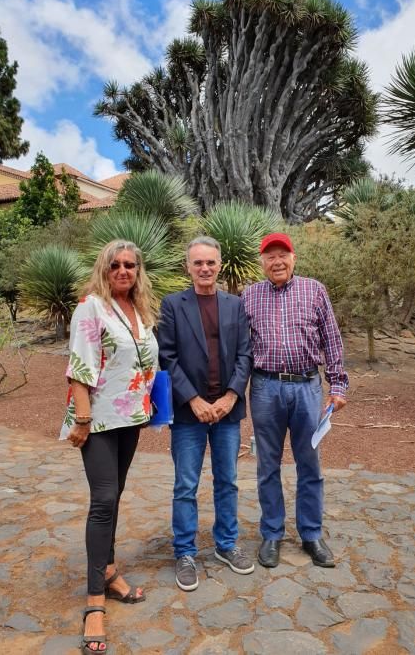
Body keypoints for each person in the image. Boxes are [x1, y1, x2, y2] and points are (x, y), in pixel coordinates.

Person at [59, 240, 158, 655]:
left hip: (130, 420)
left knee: (114, 498)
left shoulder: (143, 311)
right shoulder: (91, 308)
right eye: (115, 265)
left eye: (129, 265)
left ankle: (110, 572)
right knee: (102, 501)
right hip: (97, 421)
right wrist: (81, 419)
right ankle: (94, 603)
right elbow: (79, 366)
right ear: (105, 268)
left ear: (138, 271)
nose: (122, 270)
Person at [241, 232, 348, 570]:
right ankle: (271, 533)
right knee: (267, 465)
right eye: (270, 256)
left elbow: (331, 337)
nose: (277, 261)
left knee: (309, 463)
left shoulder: (314, 290)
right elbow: (240, 349)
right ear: (262, 262)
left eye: (282, 254)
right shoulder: (249, 296)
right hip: (265, 388)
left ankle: (311, 534)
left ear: (293, 258)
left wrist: (338, 384)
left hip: (306, 388)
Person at [157, 236, 253, 591]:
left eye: (210, 262)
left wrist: (230, 397)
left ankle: (227, 544)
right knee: (186, 486)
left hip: (227, 411)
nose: (205, 268)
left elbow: (245, 354)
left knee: (227, 481)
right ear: (188, 267)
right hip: (188, 414)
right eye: (198, 263)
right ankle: (185, 552)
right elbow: (167, 357)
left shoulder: (235, 305)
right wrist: (194, 400)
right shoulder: (173, 305)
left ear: (220, 264)